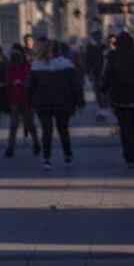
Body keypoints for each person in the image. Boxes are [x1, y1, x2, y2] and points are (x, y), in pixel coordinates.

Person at [101, 31, 134, 167]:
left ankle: (129, 156)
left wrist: (103, 90)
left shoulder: (113, 56)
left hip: (119, 98)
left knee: (125, 128)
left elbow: (107, 75)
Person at [28, 40, 81, 170]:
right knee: (63, 129)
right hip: (62, 103)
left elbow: (30, 87)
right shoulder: (66, 65)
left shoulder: (37, 66)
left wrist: (30, 101)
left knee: (47, 130)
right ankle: (67, 155)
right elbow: (75, 86)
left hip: (43, 103)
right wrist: (78, 101)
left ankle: (47, 158)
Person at [5, 44, 40, 157]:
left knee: (29, 123)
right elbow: (7, 81)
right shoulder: (10, 67)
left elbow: (31, 81)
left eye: (17, 53)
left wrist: (22, 83)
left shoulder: (27, 66)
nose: (14, 55)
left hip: (26, 98)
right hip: (14, 98)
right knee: (13, 123)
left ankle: (36, 143)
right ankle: (11, 146)